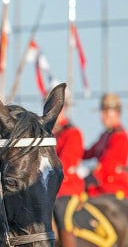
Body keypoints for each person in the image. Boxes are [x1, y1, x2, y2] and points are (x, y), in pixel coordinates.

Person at [51, 102, 85, 247]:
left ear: (63, 109)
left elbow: (64, 164)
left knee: (60, 210)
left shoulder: (72, 132)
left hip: (67, 188)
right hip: (52, 188)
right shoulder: (52, 133)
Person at [83, 92, 128, 197]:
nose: (102, 116)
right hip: (101, 187)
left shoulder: (119, 137)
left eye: (106, 112)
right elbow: (88, 153)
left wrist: (87, 180)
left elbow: (107, 166)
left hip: (114, 188)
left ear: (117, 113)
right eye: (102, 112)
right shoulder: (105, 136)